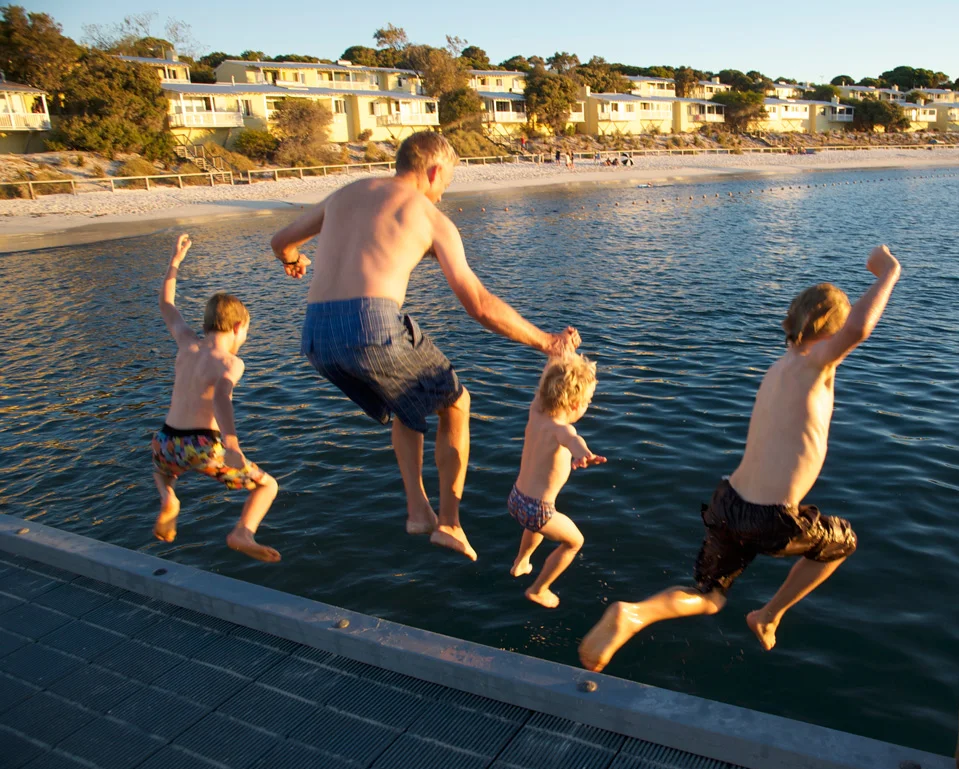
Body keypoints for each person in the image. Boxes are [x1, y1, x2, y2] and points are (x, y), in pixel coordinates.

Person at [579, 245, 903, 672]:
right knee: (842, 543)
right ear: (829, 335)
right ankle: (769, 615)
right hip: (769, 517)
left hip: (727, 503)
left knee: (709, 598)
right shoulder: (816, 367)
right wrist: (888, 274)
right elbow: (859, 328)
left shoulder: (779, 368)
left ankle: (634, 615)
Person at [270, 132, 579, 562]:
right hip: (370, 324)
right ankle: (448, 522)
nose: (442, 192)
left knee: (408, 398)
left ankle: (418, 510)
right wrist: (547, 342)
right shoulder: (431, 218)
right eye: (444, 183)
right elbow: (479, 304)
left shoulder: (344, 195)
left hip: (316, 337)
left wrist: (293, 260)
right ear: (434, 171)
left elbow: (280, 242)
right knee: (455, 402)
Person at [150, 233, 281, 563]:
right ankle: (243, 532)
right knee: (268, 486)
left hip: (167, 441)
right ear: (238, 327)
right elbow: (222, 398)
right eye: (247, 331)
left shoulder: (186, 342)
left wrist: (175, 262)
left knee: (163, 471)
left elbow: (166, 304)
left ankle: (169, 497)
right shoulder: (231, 362)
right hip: (204, 446)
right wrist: (233, 446)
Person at [509, 356, 605, 608]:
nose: (587, 406)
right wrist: (584, 454)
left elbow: (546, 380)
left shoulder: (536, 410)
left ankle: (522, 560)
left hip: (516, 498)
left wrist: (558, 357)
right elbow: (574, 442)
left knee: (534, 527)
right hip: (539, 510)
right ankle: (539, 589)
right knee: (574, 542)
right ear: (574, 404)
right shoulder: (562, 430)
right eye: (587, 402)